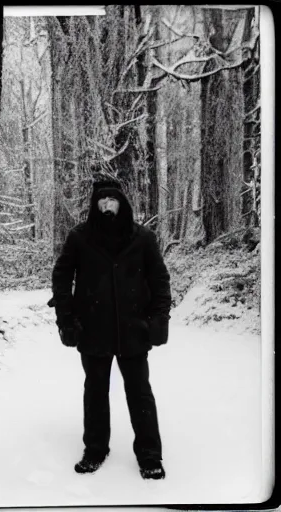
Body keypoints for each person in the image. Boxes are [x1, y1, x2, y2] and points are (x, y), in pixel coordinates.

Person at [50, 176, 171, 479]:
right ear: (95, 205)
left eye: (112, 200)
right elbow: (61, 278)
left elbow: (160, 280)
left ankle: (149, 455)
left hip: (133, 329)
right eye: (101, 201)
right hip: (92, 329)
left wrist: (158, 319)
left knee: (140, 393)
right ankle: (95, 450)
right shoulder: (80, 237)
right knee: (95, 392)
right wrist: (66, 320)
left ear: (122, 203)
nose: (107, 205)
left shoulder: (142, 238)